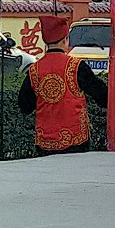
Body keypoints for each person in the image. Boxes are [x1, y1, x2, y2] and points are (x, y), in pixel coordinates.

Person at [18, 15, 108, 153]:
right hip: (76, 140)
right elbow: (102, 96)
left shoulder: (34, 70)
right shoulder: (77, 66)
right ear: (65, 40)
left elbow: (24, 106)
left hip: (45, 142)